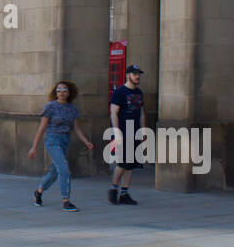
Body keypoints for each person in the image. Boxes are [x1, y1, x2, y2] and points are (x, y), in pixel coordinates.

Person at [27, 81, 94, 211]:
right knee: (63, 168)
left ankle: (39, 191)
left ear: (69, 93)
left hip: (65, 140)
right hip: (52, 140)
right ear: (55, 93)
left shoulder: (72, 108)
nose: (61, 93)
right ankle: (66, 200)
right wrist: (34, 147)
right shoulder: (50, 107)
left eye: (64, 90)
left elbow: (76, 128)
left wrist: (86, 141)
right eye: (59, 90)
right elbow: (41, 128)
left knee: (54, 170)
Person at [109, 65, 146, 205]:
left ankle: (124, 193)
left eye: (139, 74)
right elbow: (114, 112)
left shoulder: (139, 92)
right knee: (123, 162)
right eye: (135, 74)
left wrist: (143, 131)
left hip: (135, 131)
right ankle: (113, 189)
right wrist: (116, 132)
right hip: (124, 131)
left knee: (131, 164)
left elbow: (142, 112)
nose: (138, 76)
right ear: (128, 75)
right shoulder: (119, 92)